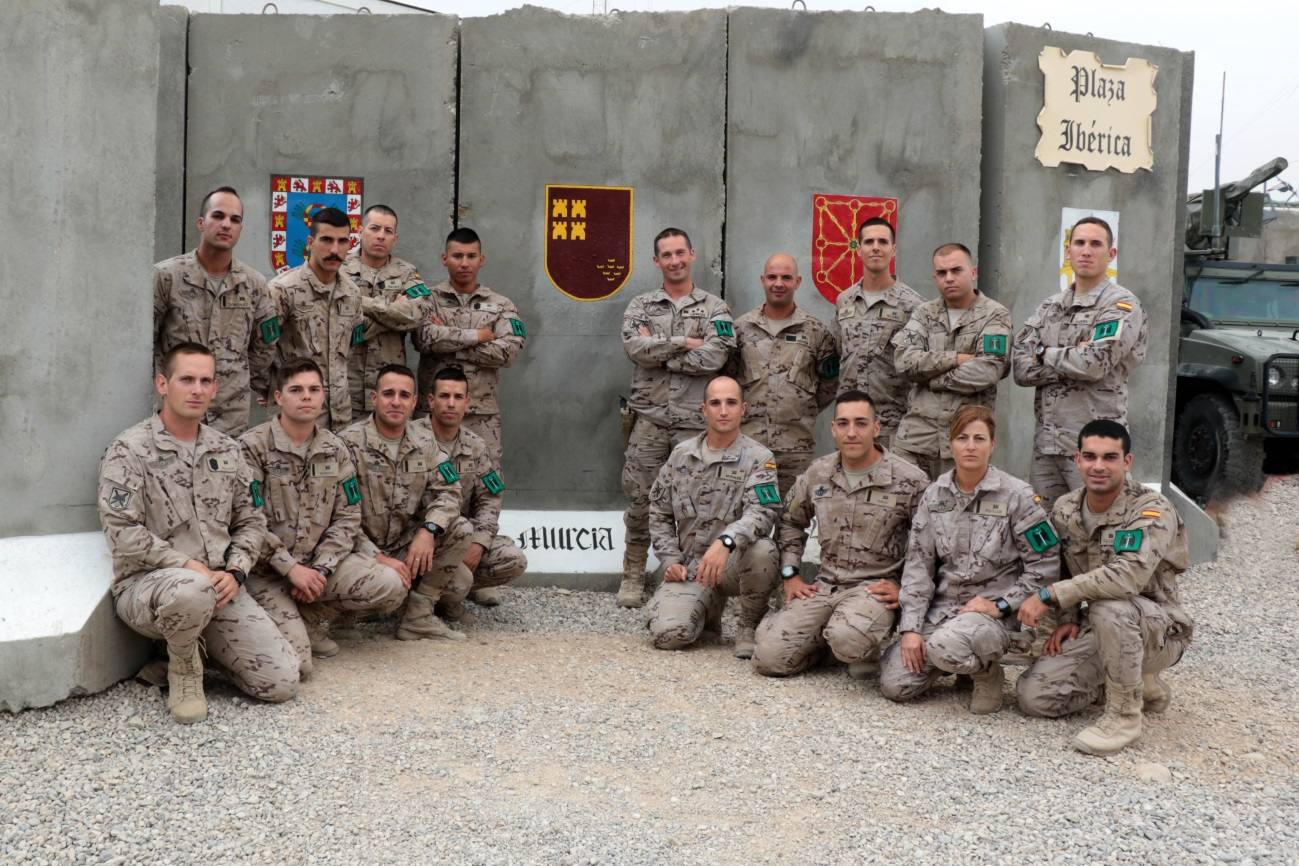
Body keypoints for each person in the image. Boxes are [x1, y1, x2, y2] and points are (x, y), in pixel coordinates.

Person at [98, 342, 298, 724]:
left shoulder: (226, 450)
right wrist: (189, 564)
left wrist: (236, 572)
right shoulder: (130, 450)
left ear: (215, 388)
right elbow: (121, 530)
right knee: (191, 589)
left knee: (283, 681)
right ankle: (184, 670)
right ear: (162, 383)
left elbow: (251, 521)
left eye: (205, 381)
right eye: (186, 379)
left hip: (219, 587)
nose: (197, 389)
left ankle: (200, 650)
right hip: (151, 588)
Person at [1016, 420, 1194, 755]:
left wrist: (1052, 596)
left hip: (1160, 631)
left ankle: (1124, 715)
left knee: (1110, 605)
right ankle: (1138, 682)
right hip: (1103, 628)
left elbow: (1128, 578)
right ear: (1077, 460)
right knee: (1035, 697)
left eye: (1110, 457)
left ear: (1127, 462)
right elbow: (1059, 567)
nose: (1099, 466)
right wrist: (1067, 616)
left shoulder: (1151, 509)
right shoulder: (1066, 508)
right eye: (1090, 456)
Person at [879, 406, 1059, 713]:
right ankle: (955, 660)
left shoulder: (1018, 496)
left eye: (979, 438)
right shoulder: (934, 496)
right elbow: (918, 567)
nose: (971, 446)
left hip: (995, 614)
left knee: (942, 646)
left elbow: (1045, 567)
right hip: (944, 610)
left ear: (993, 444)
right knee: (895, 684)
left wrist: (1001, 605)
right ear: (951, 444)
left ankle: (986, 672)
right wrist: (910, 629)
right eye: (962, 438)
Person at [238, 358, 407, 673]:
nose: (306, 397)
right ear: (279, 397)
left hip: (317, 567)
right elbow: (248, 520)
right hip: (267, 573)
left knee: (390, 583)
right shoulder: (252, 448)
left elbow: (348, 518)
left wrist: (320, 570)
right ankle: (287, 626)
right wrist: (290, 569)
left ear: (323, 396)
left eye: (314, 389)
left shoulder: (335, 449)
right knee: (299, 667)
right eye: (297, 390)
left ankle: (309, 617)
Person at [752, 390, 929, 678]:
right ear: (833, 429)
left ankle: (853, 642)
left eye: (861, 423)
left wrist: (906, 590)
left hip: (873, 590)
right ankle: (823, 641)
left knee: (848, 639)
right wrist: (791, 574)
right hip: (826, 586)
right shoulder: (818, 473)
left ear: (876, 428)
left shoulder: (909, 480)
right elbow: (790, 522)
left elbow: (931, 545)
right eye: (843, 424)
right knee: (768, 660)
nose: (852, 432)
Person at [618, 227, 736, 608]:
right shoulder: (641, 306)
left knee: (698, 505)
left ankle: (695, 578)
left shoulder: (715, 308)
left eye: (680, 253)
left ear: (692, 254)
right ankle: (633, 575)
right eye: (666, 255)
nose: (674, 261)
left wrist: (660, 351)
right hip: (649, 422)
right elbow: (635, 348)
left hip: (693, 426)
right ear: (657, 261)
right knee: (639, 500)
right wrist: (685, 342)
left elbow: (716, 357)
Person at [1012, 216, 1149, 509]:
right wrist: (1072, 354)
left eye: (1095, 244)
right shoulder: (1050, 307)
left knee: (1099, 530)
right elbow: (1021, 369)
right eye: (1079, 243)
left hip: (1096, 450)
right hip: (1047, 448)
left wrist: (1043, 352)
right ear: (1068, 251)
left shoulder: (1121, 306)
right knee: (1045, 536)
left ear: (1110, 254)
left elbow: (1093, 364)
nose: (1086, 251)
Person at [645, 377, 779, 657]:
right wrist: (670, 560)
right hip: (692, 568)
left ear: (744, 409)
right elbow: (659, 511)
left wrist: (727, 541)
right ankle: (708, 609)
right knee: (669, 636)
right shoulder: (681, 455)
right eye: (715, 403)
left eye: (731, 403)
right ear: (703, 409)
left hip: (732, 564)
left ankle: (748, 625)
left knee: (763, 550)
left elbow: (763, 512)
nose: (723, 410)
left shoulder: (759, 457)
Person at [339, 364, 473, 641]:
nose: (396, 402)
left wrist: (428, 531)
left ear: (414, 402)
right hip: (358, 548)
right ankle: (343, 617)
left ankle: (418, 616)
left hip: (403, 546)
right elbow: (337, 515)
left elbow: (450, 491)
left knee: (460, 566)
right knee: (377, 581)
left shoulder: (426, 442)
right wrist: (376, 557)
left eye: (404, 395)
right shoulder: (347, 444)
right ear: (374, 399)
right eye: (388, 394)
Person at [153, 186, 278, 435]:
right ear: (201, 222)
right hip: (176, 412)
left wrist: (232, 376)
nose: (226, 225)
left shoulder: (254, 284)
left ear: (241, 229)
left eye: (235, 220)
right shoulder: (167, 276)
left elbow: (265, 347)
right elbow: (145, 342)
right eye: (218, 216)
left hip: (230, 417)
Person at [891, 243, 1013, 479]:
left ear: (973, 272)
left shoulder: (995, 315)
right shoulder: (924, 313)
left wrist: (932, 379)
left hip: (966, 438)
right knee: (906, 510)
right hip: (917, 438)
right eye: (941, 273)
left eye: (956, 270)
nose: (949, 278)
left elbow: (987, 371)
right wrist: (955, 358)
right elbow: (903, 361)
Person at [731, 253, 838, 496]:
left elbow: (829, 384)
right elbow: (728, 380)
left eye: (786, 278)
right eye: (772, 277)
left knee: (791, 522)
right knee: (746, 517)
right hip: (748, 445)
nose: (778, 283)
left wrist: (800, 409)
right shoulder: (741, 329)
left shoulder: (815, 331)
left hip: (795, 447)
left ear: (798, 282)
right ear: (762, 280)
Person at [413, 227, 525, 461]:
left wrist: (447, 340)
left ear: (481, 260)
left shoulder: (502, 304)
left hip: (481, 415)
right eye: (457, 256)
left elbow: (509, 352)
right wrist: (477, 336)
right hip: (432, 412)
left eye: (471, 256)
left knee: (483, 483)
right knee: (425, 479)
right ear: (444, 259)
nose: (464, 263)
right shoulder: (427, 299)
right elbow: (423, 338)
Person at [423, 366, 528, 614]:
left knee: (512, 559)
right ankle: (425, 596)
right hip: (419, 540)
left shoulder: (476, 446)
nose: (451, 404)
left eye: (458, 397)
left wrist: (479, 543)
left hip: (460, 538)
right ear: (430, 400)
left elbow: (490, 499)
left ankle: (446, 592)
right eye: (444, 396)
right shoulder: (413, 439)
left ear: (467, 403)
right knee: (455, 578)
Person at [266, 206, 366, 432]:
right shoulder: (283, 290)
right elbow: (260, 348)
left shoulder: (352, 294)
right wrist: (270, 389)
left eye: (342, 242)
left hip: (340, 415)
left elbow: (351, 349)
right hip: (294, 416)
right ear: (310, 242)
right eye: (327, 240)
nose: (334, 249)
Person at [831, 217, 925, 446]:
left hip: (893, 424)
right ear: (859, 249)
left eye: (882, 242)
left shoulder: (914, 306)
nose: (875, 247)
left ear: (893, 250)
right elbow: (837, 353)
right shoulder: (845, 301)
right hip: (850, 425)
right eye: (869, 242)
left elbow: (921, 367)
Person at [342, 204, 435, 418]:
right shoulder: (340, 270)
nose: (381, 236)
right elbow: (336, 318)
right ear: (360, 231)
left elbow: (416, 314)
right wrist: (393, 311)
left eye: (388, 231)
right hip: (346, 385)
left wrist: (359, 302)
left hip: (391, 391)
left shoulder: (407, 273)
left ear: (395, 238)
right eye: (374, 228)